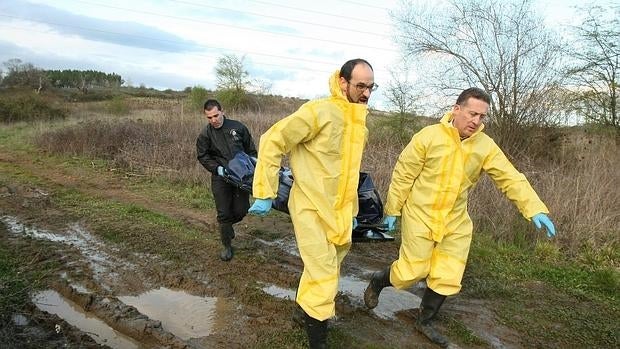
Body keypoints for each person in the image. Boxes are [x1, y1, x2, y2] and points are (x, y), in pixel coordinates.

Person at [363, 87, 556, 347]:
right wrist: (393, 210)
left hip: (455, 220)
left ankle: (425, 320)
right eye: (472, 113)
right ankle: (378, 280)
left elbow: (509, 177)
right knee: (411, 271)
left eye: (482, 116)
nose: (476, 121)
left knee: (448, 273)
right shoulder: (428, 137)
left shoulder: (484, 146)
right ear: (456, 109)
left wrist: (534, 208)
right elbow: (403, 174)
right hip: (421, 214)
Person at [247, 58, 376, 348]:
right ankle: (317, 341)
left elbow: (348, 173)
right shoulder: (318, 112)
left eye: (371, 87)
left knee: (328, 265)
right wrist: (265, 191)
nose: (366, 93)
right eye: (360, 86)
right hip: (309, 205)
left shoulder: (360, 125)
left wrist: (352, 210)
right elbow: (273, 139)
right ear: (342, 82)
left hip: (339, 212)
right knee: (324, 273)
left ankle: (302, 310)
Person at [196, 99, 257, 262]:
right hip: (220, 177)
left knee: (241, 210)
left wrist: (251, 169)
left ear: (222, 111)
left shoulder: (238, 127)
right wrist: (217, 169)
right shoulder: (205, 134)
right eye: (209, 117)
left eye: (216, 115)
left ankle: (227, 226)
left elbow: (251, 151)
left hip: (241, 177)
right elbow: (203, 155)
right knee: (223, 213)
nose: (213, 120)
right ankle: (227, 246)